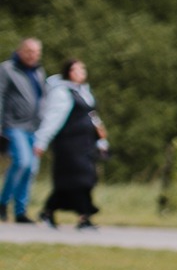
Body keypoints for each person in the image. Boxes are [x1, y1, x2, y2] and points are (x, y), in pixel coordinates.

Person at [32, 58, 106, 228]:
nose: (82, 73)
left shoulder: (84, 91)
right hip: (68, 145)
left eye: (83, 69)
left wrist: (102, 141)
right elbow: (53, 119)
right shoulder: (62, 93)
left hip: (85, 144)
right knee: (81, 180)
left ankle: (48, 211)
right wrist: (41, 141)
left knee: (74, 181)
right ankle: (84, 217)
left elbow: (93, 117)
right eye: (77, 70)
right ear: (68, 72)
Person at [2, 37, 44, 223]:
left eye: (36, 52)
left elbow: (42, 98)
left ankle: (20, 211)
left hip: (33, 127)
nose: (32, 55)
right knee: (23, 162)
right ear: (20, 51)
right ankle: (2, 202)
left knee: (31, 168)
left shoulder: (38, 72)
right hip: (13, 124)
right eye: (29, 51)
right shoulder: (7, 69)